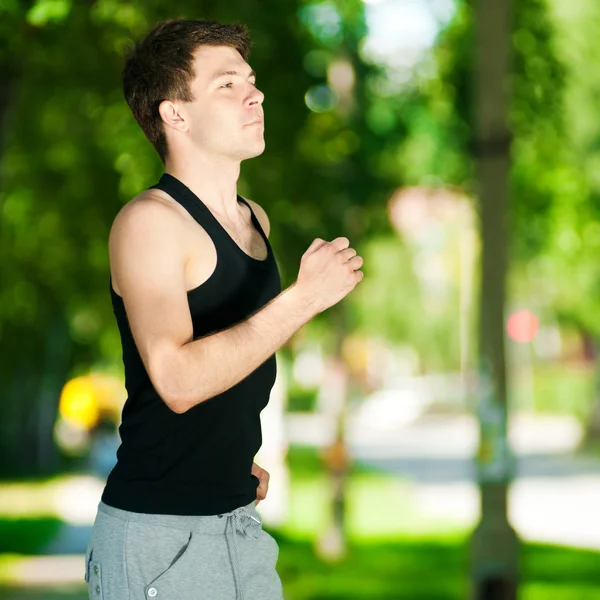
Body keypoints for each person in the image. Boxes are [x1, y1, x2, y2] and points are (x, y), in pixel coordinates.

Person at [84, 18, 364, 600]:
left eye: (252, 81)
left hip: (237, 522)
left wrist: (227, 455)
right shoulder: (150, 224)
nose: (254, 94)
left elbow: (234, 361)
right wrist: (305, 298)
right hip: (161, 537)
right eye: (227, 84)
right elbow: (177, 381)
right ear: (175, 113)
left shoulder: (253, 217)